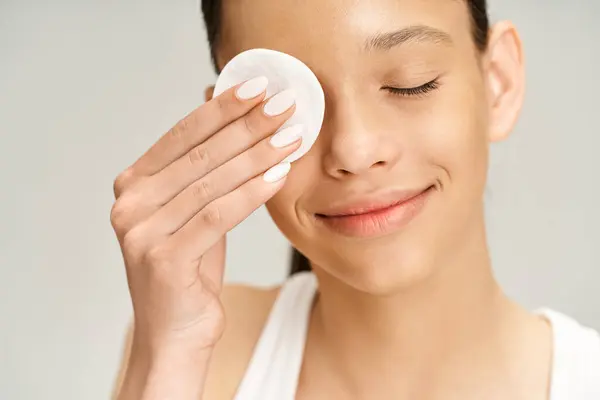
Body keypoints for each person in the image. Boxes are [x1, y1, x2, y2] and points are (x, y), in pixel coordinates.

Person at [111, 0, 600, 399]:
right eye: (290, 107)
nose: (354, 149)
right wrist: (167, 359)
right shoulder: (201, 355)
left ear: (499, 83)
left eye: (412, 82)